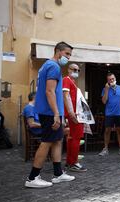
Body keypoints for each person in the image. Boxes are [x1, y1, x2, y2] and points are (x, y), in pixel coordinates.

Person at [25, 41, 75, 188]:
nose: (68, 57)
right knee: (47, 141)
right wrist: (55, 114)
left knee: (57, 140)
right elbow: (49, 91)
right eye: (67, 53)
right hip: (49, 111)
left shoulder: (46, 66)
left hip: (51, 110)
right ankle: (32, 177)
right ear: (58, 51)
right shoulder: (53, 66)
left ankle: (58, 174)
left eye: (70, 55)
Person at [63, 63, 87, 172]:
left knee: (72, 138)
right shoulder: (67, 80)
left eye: (78, 70)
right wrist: (71, 112)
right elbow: (66, 96)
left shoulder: (73, 82)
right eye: (74, 69)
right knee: (76, 139)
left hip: (75, 113)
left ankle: (70, 162)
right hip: (74, 114)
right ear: (68, 70)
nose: (76, 72)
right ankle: (74, 163)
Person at [99, 73, 120, 156]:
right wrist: (106, 90)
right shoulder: (105, 89)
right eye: (110, 79)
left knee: (119, 131)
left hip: (119, 113)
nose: (111, 80)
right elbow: (104, 101)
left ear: (115, 78)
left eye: (112, 79)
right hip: (109, 113)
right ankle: (105, 148)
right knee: (107, 131)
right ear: (107, 81)